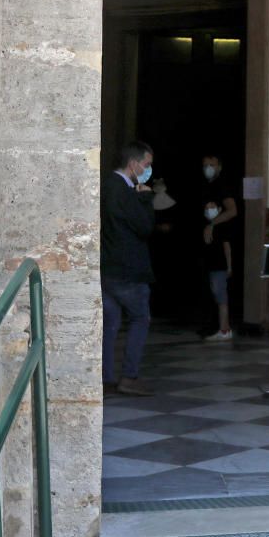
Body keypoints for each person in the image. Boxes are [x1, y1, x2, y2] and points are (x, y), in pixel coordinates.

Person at [102, 141, 157, 396]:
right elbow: (144, 226)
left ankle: (105, 378)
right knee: (139, 318)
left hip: (107, 269)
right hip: (128, 271)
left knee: (110, 323)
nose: (148, 169)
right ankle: (129, 376)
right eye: (146, 165)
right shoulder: (124, 192)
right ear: (134, 164)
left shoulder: (105, 186)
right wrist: (145, 198)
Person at [200, 153, 238, 341]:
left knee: (219, 289)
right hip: (209, 251)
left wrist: (212, 224)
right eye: (205, 165)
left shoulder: (222, 187)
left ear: (219, 166)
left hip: (219, 252)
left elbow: (232, 210)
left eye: (211, 164)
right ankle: (215, 325)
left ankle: (224, 328)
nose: (208, 168)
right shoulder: (206, 187)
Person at [202, 200, 233, 341]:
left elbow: (227, 248)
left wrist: (229, 266)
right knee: (218, 298)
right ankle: (223, 328)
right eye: (207, 207)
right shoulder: (206, 227)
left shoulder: (222, 227)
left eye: (213, 207)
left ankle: (224, 330)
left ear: (220, 209)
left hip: (219, 267)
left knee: (221, 298)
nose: (210, 210)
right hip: (211, 267)